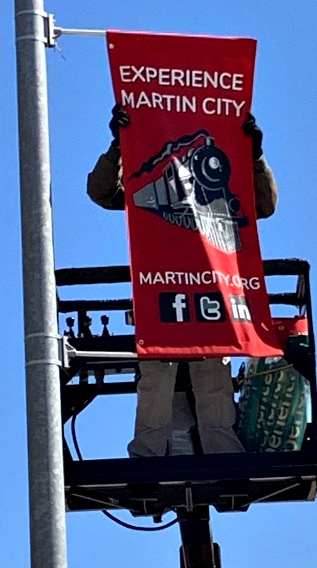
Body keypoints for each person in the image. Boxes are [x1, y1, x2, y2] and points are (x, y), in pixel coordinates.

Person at [87, 106, 278, 458]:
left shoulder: (224, 188)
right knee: (161, 373)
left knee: (211, 378)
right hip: (162, 290)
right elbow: (101, 192)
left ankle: (220, 456)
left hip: (209, 291)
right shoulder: (149, 182)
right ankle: (152, 455)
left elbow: (264, 205)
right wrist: (120, 145)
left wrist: (254, 156)